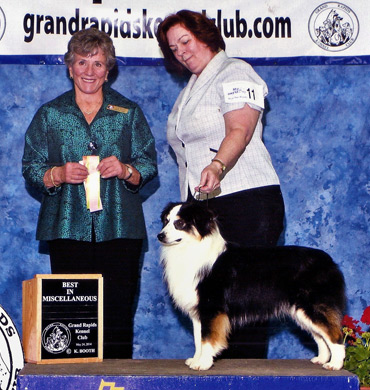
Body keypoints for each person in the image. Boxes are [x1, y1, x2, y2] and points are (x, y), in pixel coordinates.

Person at [22, 28, 158, 359]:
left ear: (109, 69)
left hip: (120, 228)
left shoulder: (129, 112)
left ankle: (118, 380)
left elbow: (148, 164)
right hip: (66, 226)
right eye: (82, 62)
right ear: (69, 67)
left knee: (117, 314)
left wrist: (125, 169)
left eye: (98, 64)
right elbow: (31, 166)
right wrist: (57, 174)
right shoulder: (49, 114)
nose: (89, 71)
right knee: (70, 318)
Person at [157, 10, 285, 359]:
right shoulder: (191, 88)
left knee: (245, 299)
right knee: (213, 299)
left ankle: (246, 377)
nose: (181, 51)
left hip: (245, 200)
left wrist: (217, 164)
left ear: (206, 35)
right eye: (173, 48)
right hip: (208, 207)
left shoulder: (235, 71)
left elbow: (240, 130)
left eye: (186, 41)